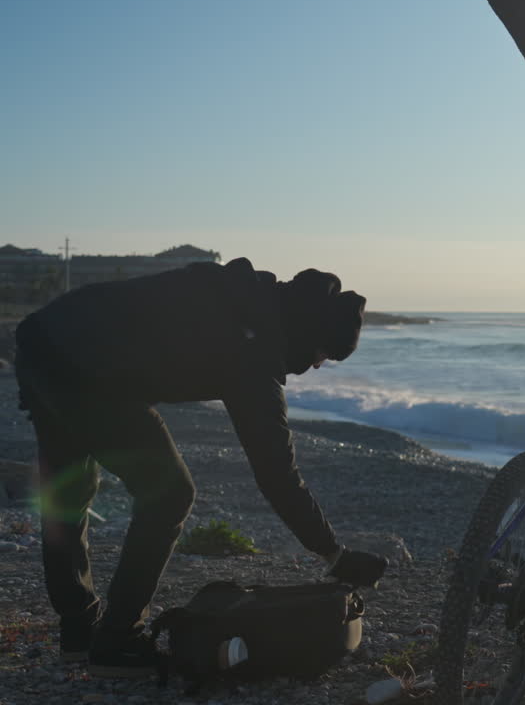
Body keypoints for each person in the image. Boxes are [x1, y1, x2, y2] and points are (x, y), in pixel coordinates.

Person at [13, 257, 388, 677]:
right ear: (308, 333)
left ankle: (80, 631)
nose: (317, 365)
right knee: (170, 494)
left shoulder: (246, 297)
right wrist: (333, 552)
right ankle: (118, 640)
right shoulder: (252, 346)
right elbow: (276, 471)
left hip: (42, 342)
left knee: (69, 491)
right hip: (80, 370)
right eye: (324, 354)